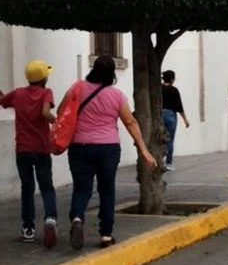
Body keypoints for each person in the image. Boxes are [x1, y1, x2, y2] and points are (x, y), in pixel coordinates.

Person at [60, 56, 157, 250]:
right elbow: (130, 122)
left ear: (93, 69)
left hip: (80, 146)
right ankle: (105, 234)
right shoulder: (118, 96)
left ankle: (77, 217)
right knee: (107, 190)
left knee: (82, 188)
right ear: (112, 73)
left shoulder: (76, 88)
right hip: (108, 148)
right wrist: (144, 150)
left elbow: (63, 111)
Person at [0, 59, 58, 247]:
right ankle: (50, 219)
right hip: (41, 148)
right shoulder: (46, 93)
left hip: (23, 149)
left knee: (27, 188)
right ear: (43, 79)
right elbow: (44, 112)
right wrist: (55, 121)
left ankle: (28, 229)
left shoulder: (18, 93)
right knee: (46, 187)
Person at [161, 70, 189, 172]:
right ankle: (169, 163)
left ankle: (159, 160)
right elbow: (179, 106)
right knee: (170, 140)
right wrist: (185, 119)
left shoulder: (158, 89)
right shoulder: (174, 90)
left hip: (159, 115)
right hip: (171, 115)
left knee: (159, 138)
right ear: (172, 79)